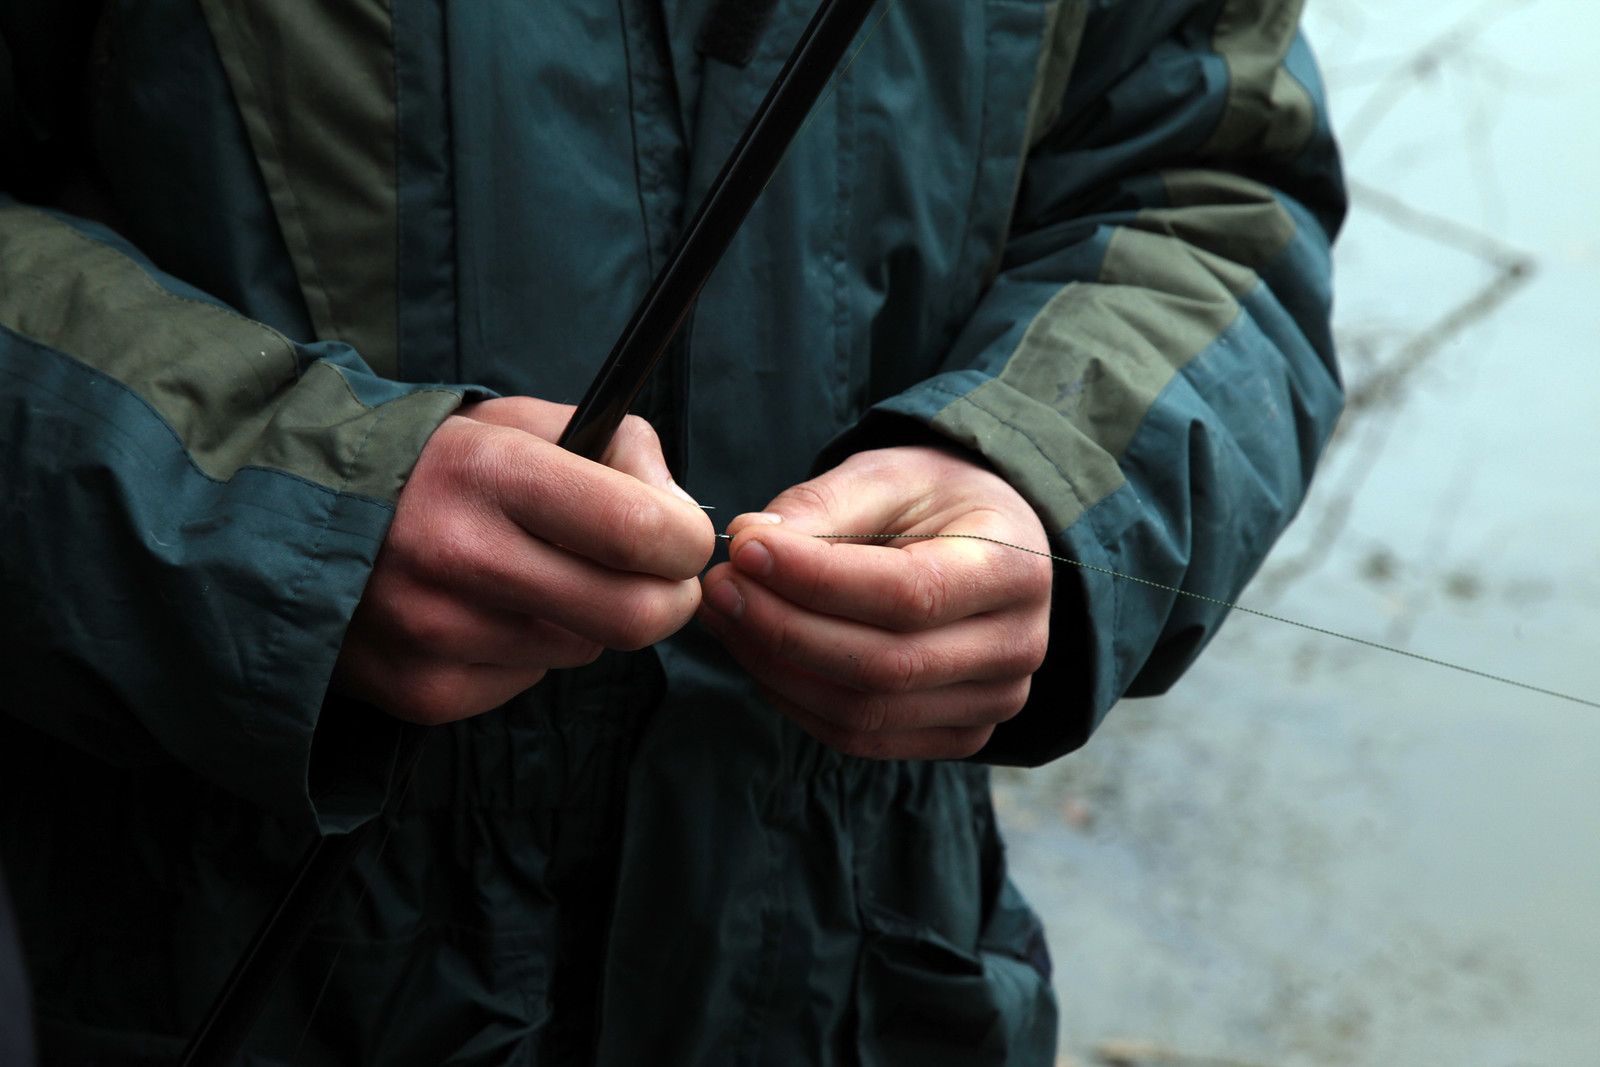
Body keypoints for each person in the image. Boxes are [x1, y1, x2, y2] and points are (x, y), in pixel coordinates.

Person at [0, 0, 1344, 1063]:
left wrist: (1040, 481)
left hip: (877, 986)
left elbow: (1209, 180)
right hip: (175, 962)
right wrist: (275, 512)